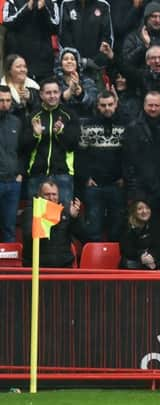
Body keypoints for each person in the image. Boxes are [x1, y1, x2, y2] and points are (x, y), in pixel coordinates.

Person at [77, 90, 127, 242]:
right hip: (94, 186)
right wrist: (86, 177)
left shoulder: (125, 125)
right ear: (97, 106)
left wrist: (125, 177)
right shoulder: (88, 125)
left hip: (117, 185)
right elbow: (80, 155)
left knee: (117, 228)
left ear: (116, 104)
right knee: (93, 229)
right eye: (103, 105)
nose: (107, 108)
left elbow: (130, 154)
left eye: (110, 105)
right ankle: (95, 263)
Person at [23, 77, 81, 208]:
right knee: (37, 220)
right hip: (38, 174)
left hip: (63, 174)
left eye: (55, 92)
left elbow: (74, 144)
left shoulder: (69, 115)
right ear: (41, 95)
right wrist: (35, 135)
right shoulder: (33, 116)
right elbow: (24, 147)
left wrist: (61, 133)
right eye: (48, 93)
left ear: (60, 93)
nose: (52, 96)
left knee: (63, 218)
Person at [123, 91, 160, 218]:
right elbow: (128, 161)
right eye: (150, 105)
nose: (153, 108)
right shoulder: (133, 127)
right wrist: (134, 190)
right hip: (142, 188)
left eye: (156, 105)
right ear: (144, 105)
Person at [22, 179, 82, 267]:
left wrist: (74, 218)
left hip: (63, 267)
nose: (51, 198)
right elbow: (29, 237)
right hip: (38, 267)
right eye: (47, 194)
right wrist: (51, 215)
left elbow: (82, 235)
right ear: (39, 196)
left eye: (54, 194)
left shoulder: (65, 211)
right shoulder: (31, 212)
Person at [2, 0, 59, 80]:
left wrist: (43, 9)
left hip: (44, 63)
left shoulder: (50, 2)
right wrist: (27, 8)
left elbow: (55, 27)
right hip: (19, 62)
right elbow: (7, 22)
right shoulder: (12, 1)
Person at [58, 0, 113, 74]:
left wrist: (95, 61)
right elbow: (64, 36)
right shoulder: (67, 4)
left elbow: (107, 38)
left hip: (96, 66)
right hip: (72, 67)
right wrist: (76, 60)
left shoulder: (103, 5)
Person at [121, 2, 160, 68]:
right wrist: (144, 46)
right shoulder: (133, 37)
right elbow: (127, 63)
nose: (158, 20)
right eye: (154, 16)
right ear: (146, 19)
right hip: (141, 76)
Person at [119, 198, 160, 269]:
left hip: (153, 262)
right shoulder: (126, 227)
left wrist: (152, 256)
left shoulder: (155, 226)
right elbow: (127, 249)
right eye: (140, 209)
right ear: (134, 211)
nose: (144, 211)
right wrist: (141, 257)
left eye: (147, 208)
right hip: (133, 265)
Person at [0, 85, 23, 242]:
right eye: (1, 100)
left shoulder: (17, 122)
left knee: (10, 227)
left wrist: (20, 173)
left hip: (13, 182)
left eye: (8, 100)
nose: (5, 104)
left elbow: (23, 150)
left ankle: (9, 266)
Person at [54, 47, 98, 119]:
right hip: (60, 120)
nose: (69, 61)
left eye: (72, 59)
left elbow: (94, 103)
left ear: (77, 63)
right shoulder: (54, 82)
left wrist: (80, 93)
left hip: (84, 121)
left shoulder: (88, 81)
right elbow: (50, 103)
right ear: (60, 63)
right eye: (65, 59)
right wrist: (69, 91)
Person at [1, 55, 40, 121]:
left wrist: (31, 97)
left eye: (24, 66)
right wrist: (19, 106)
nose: (23, 70)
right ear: (9, 70)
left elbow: (40, 109)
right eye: (18, 67)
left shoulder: (34, 86)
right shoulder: (2, 89)